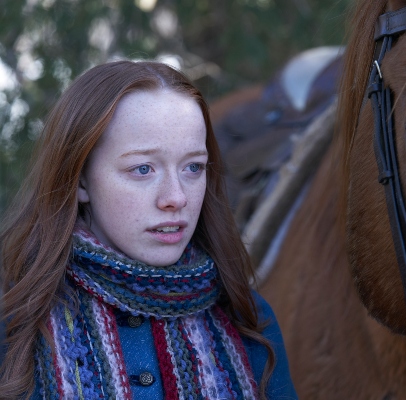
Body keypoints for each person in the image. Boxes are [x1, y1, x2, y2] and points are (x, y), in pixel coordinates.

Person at [0, 60, 298, 399]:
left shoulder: (248, 319)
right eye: (143, 169)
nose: (176, 197)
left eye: (193, 167)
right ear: (80, 178)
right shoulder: (15, 321)